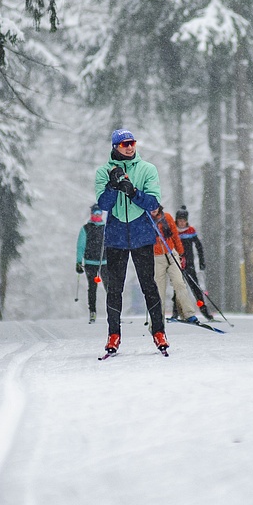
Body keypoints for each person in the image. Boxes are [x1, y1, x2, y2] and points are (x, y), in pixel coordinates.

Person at [95, 128, 169, 356]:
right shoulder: (103, 171)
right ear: (115, 147)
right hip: (116, 236)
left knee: (149, 285)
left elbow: (153, 202)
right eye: (124, 143)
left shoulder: (147, 169)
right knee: (115, 288)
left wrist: (132, 190)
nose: (129, 146)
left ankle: (159, 331)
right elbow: (104, 205)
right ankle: (113, 334)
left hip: (141, 234)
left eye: (132, 142)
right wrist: (113, 186)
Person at [150, 205, 200, 324]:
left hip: (171, 254)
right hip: (157, 258)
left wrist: (181, 253)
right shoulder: (145, 220)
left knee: (179, 283)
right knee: (159, 289)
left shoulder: (167, 217)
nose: (153, 209)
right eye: (150, 207)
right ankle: (157, 317)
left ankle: (189, 314)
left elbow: (175, 236)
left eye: (155, 206)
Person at [175, 205, 213, 320]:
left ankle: (204, 310)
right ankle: (175, 312)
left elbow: (199, 247)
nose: (181, 223)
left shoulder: (191, 231)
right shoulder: (173, 231)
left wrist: (201, 261)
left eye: (184, 221)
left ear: (187, 221)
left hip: (189, 264)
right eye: (179, 221)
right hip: (177, 264)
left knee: (196, 289)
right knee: (178, 289)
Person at [76, 205, 108, 323]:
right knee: (92, 287)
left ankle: (113, 311)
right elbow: (80, 246)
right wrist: (79, 262)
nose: (97, 215)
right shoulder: (86, 228)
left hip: (104, 262)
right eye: (95, 213)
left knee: (109, 287)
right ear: (91, 214)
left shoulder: (106, 228)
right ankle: (92, 312)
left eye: (99, 213)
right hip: (90, 262)